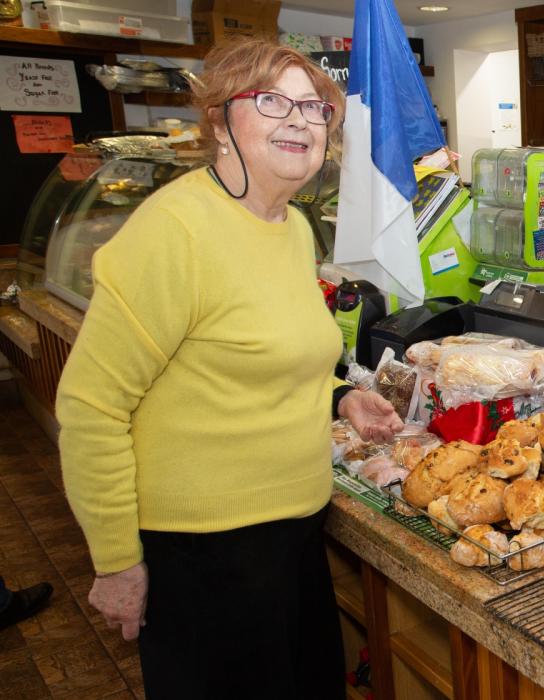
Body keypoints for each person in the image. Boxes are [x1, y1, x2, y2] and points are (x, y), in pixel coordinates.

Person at [56, 39, 404, 699]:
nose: (300, 121)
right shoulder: (175, 231)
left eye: (314, 107)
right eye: (272, 101)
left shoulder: (293, 227)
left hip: (294, 534)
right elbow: (90, 408)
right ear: (218, 120)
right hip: (203, 554)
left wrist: (338, 398)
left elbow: (256, 356)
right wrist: (117, 563)